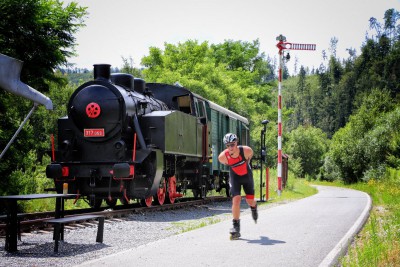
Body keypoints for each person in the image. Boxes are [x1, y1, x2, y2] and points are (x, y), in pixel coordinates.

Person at [218, 133, 258, 237]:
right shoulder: (223, 157)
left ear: (237, 143)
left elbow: (250, 156)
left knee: (250, 200)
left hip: (247, 176)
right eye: (228, 145)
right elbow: (226, 163)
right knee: (236, 199)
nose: (231, 147)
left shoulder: (246, 150)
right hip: (235, 177)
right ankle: (236, 226)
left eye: (233, 144)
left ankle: (254, 207)